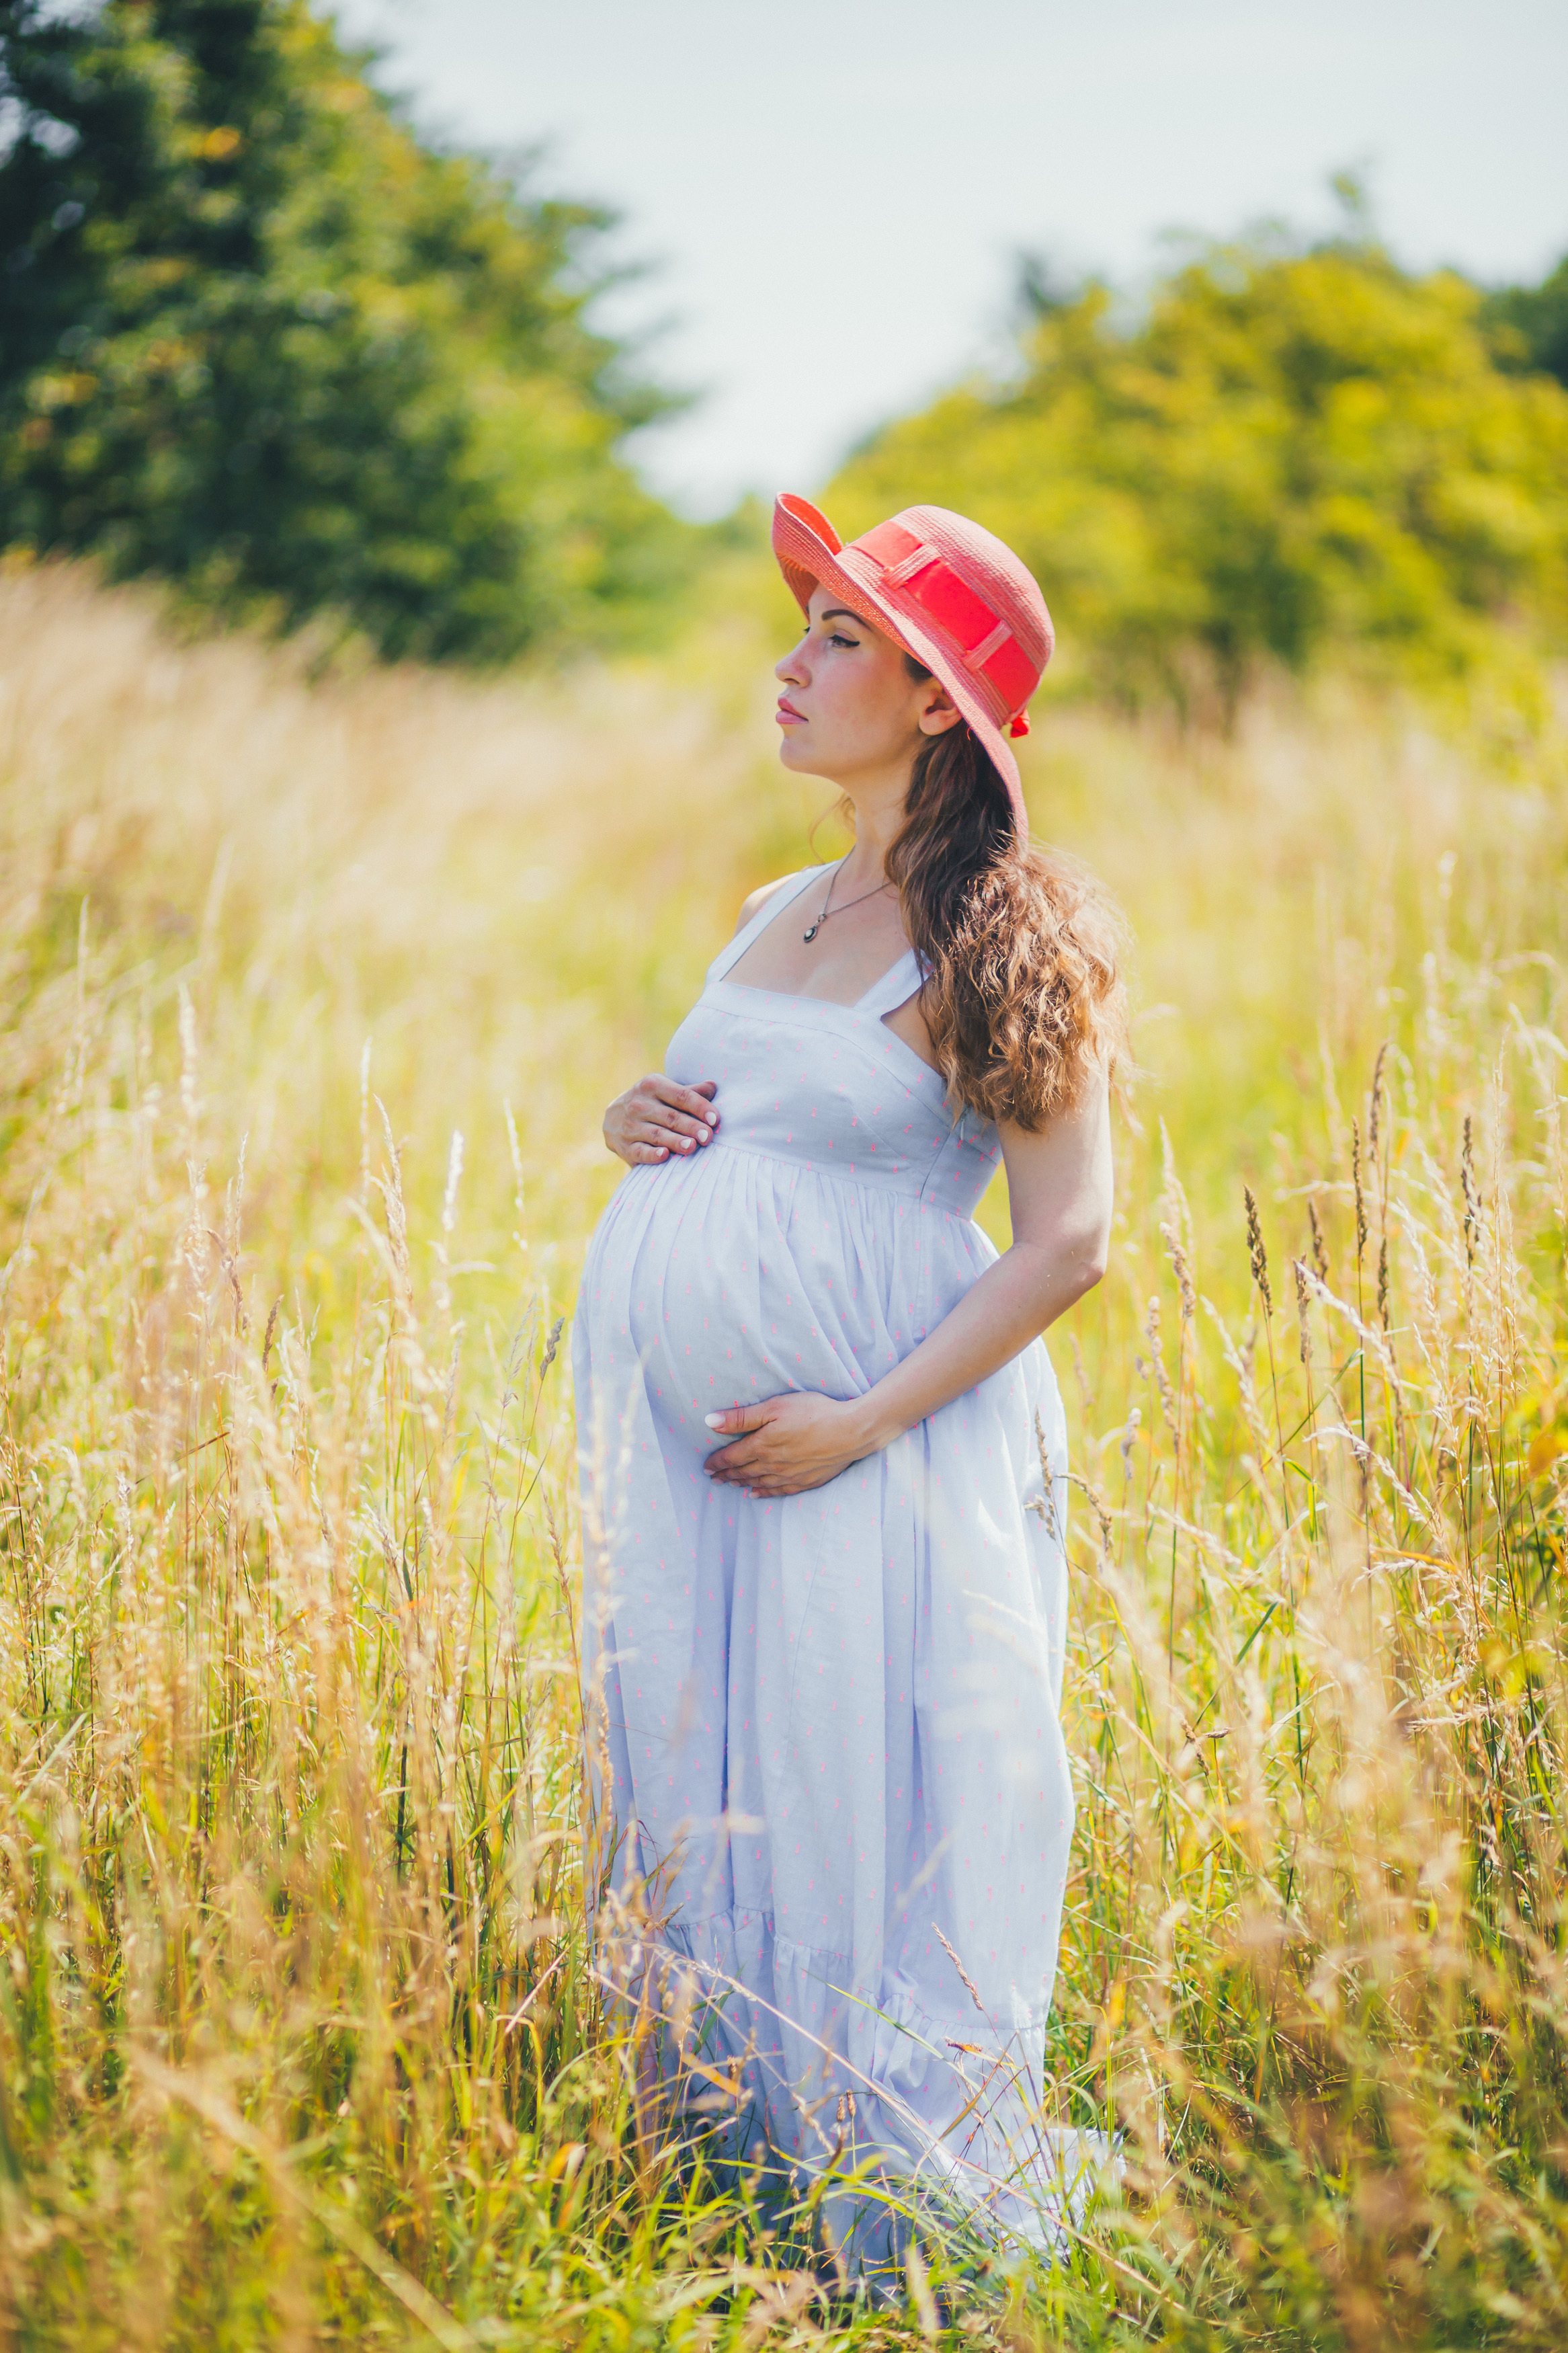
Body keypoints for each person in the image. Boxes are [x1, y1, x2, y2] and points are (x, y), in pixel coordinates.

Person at [573, 493, 1125, 2272]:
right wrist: (632, 1122)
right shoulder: (774, 907)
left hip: (877, 1450)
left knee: (856, 1782)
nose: (788, 665)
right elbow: (740, 1125)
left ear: (938, 700)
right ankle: (732, 2160)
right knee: (710, 1766)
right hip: (700, 1461)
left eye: (837, 638)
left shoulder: (1000, 929)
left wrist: (859, 1422)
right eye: (803, 623)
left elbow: (1070, 1235)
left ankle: (872, 2196)